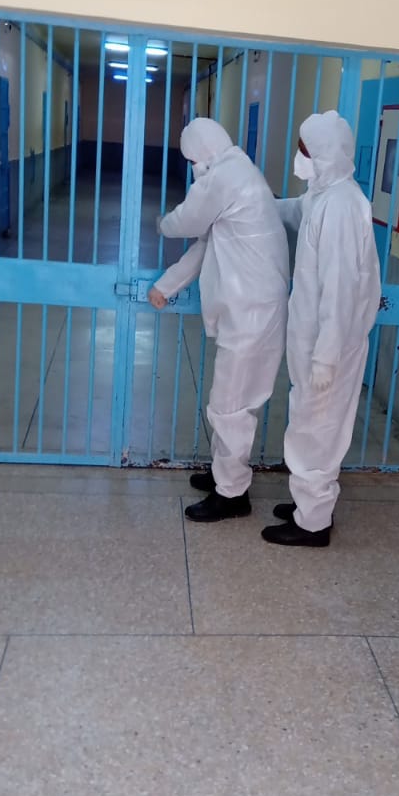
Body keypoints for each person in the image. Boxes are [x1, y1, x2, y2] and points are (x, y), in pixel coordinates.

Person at [149, 118, 289, 522]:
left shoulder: (226, 177)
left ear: (203, 150)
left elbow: (188, 222)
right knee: (231, 401)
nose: (193, 166)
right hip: (252, 311)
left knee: (230, 405)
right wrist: (166, 285)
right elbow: (206, 243)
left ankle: (232, 494)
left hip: (252, 314)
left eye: (191, 158)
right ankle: (224, 474)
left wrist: (161, 223)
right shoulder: (240, 173)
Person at [262, 110, 381, 547]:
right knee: (308, 421)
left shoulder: (344, 207)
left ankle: (313, 523)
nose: (299, 157)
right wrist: (253, 202)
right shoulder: (322, 195)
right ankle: (307, 503)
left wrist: (326, 357)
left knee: (319, 428)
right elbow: (294, 211)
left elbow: (341, 290)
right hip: (312, 340)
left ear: (325, 153)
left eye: (305, 150)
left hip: (330, 347)